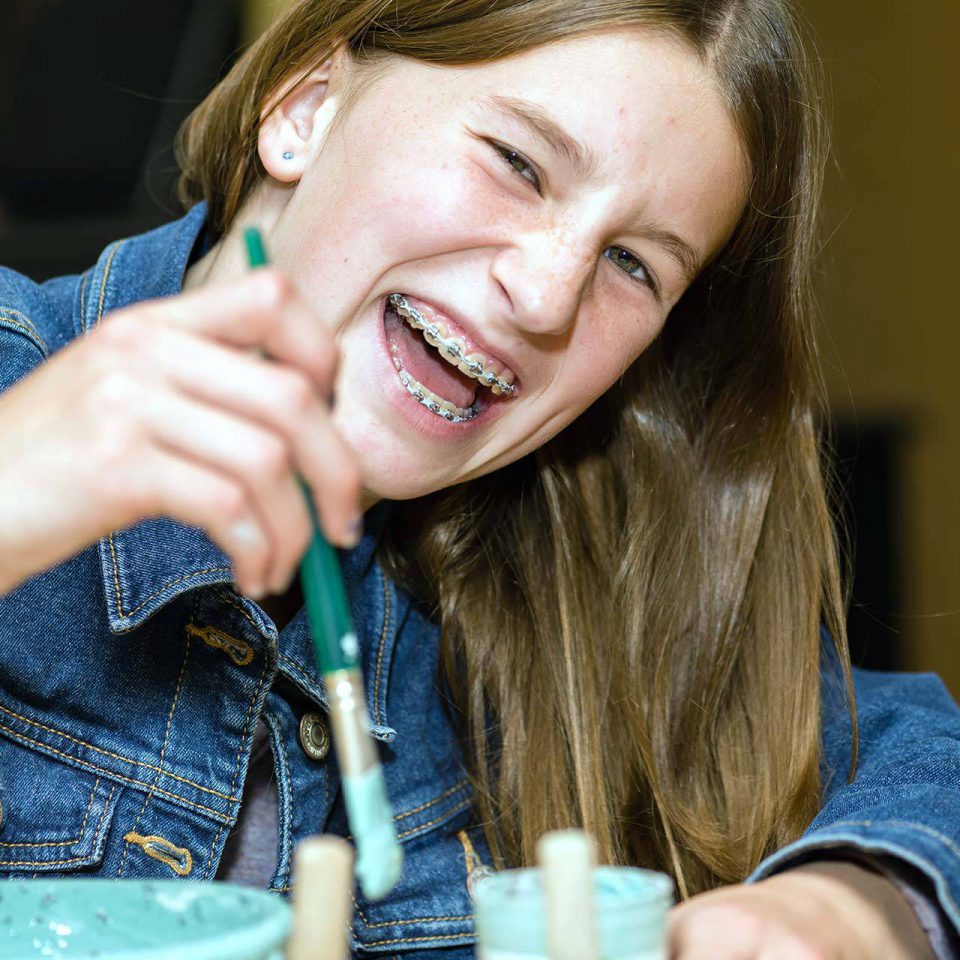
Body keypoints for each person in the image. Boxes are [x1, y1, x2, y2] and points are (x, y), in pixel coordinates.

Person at [0, 0, 957, 957]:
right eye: (519, 164)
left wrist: (858, 899)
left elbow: (913, 748)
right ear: (305, 106)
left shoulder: (555, 552)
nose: (546, 297)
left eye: (632, 263)